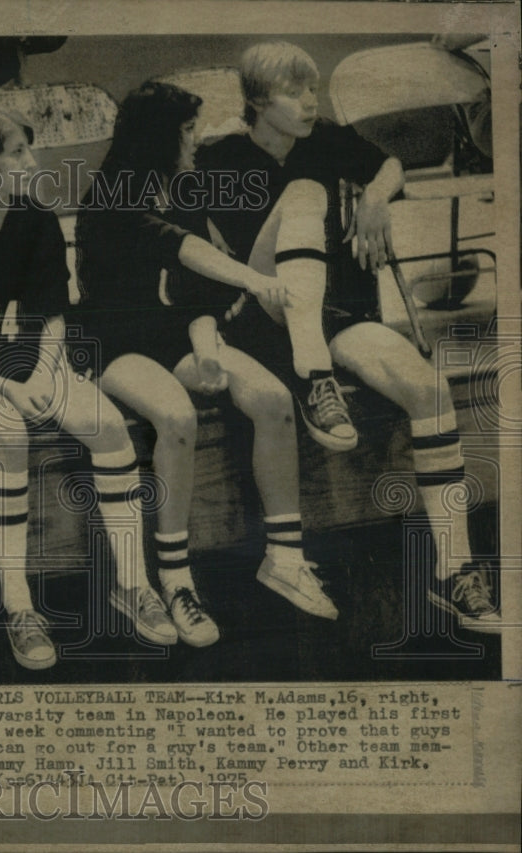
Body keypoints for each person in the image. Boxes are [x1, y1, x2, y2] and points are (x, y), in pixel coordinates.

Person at [199, 41, 499, 632]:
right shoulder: (220, 157)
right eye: (295, 93)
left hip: (335, 314)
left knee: (430, 388)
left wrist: (375, 198)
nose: (311, 102)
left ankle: (453, 570)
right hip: (262, 315)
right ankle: (314, 379)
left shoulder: (325, 137)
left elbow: (387, 165)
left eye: (314, 89)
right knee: (305, 196)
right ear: (258, 103)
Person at [0, 103, 179, 671]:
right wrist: (6, 384)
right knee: (9, 437)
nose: (32, 160)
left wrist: (45, 371)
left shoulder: (35, 217)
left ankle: (131, 584)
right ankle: (19, 607)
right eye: (18, 152)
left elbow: (52, 311)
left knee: (106, 427)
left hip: (35, 364)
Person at [75, 81, 338, 634]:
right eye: (188, 130)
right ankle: (176, 582)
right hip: (118, 345)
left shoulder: (183, 185)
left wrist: (205, 343)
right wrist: (256, 280)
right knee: (177, 417)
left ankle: (285, 561)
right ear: (159, 135)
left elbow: (201, 292)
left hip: (177, 339)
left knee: (270, 397)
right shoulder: (112, 191)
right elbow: (181, 248)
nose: (197, 139)